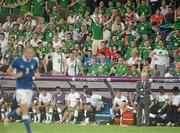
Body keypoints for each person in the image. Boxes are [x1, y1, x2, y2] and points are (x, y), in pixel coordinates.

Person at [7, 47, 40, 133]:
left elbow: (37, 71)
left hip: (29, 89)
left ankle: (9, 115)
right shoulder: (17, 61)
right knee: (25, 110)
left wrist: (37, 74)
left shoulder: (34, 62)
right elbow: (8, 71)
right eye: (28, 53)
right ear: (24, 53)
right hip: (20, 89)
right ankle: (29, 131)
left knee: (23, 109)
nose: (30, 54)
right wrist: (16, 75)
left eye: (31, 53)